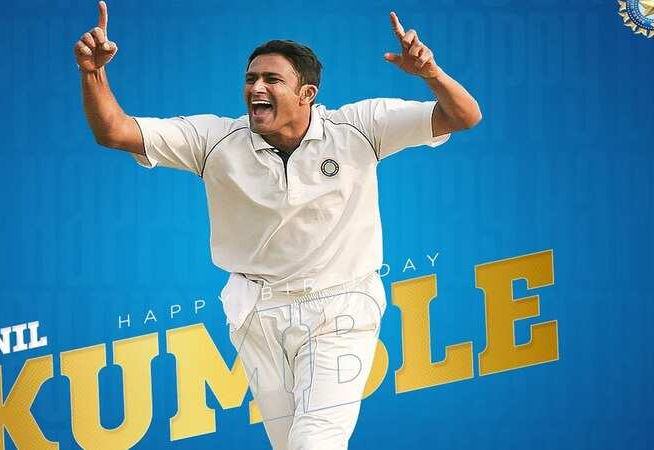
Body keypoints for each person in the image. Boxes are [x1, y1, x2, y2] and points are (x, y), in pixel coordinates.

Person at [75, 2, 481, 449]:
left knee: (315, 441)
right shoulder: (213, 140)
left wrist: (431, 74)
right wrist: (93, 72)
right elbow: (113, 131)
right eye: (251, 79)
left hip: (341, 307)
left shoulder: (361, 127)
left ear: (307, 93)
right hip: (256, 314)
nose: (256, 88)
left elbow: (464, 116)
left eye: (272, 80)